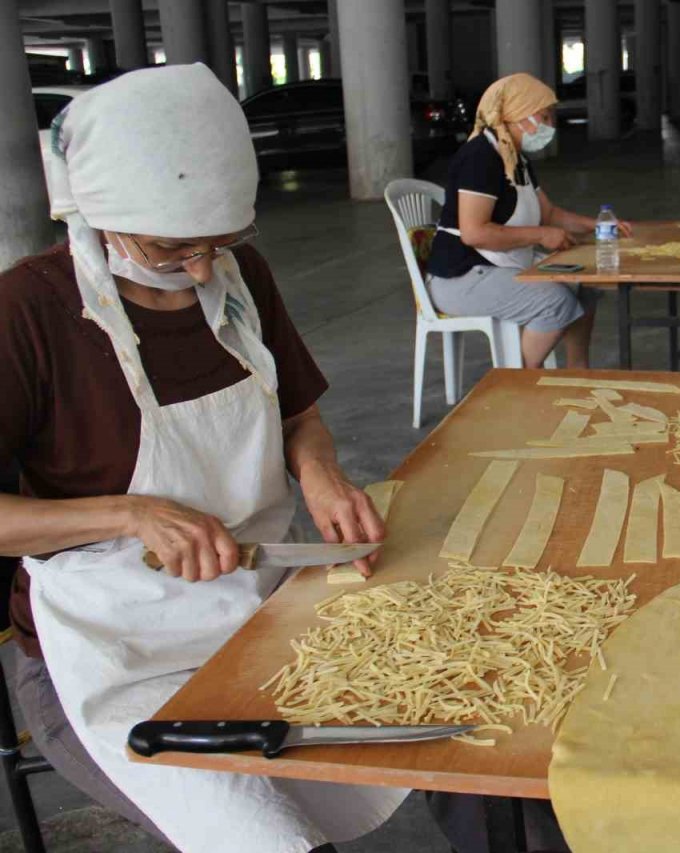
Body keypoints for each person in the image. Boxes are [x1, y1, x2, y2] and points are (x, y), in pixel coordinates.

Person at [0, 64, 408, 852]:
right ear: (101, 210)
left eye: (219, 241)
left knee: (437, 729)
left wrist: (317, 469)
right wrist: (128, 512)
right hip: (107, 645)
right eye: (173, 246)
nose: (198, 269)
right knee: (266, 836)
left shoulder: (239, 275)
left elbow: (299, 411)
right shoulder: (30, 310)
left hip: (256, 603)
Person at [427, 72, 631, 369]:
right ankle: (517, 381)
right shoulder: (480, 157)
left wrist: (598, 225)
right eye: (543, 116)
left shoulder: (515, 157)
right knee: (555, 302)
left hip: (499, 264)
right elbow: (474, 233)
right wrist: (540, 236)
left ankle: (578, 372)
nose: (549, 126)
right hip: (462, 276)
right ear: (516, 114)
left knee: (583, 284)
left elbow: (548, 214)